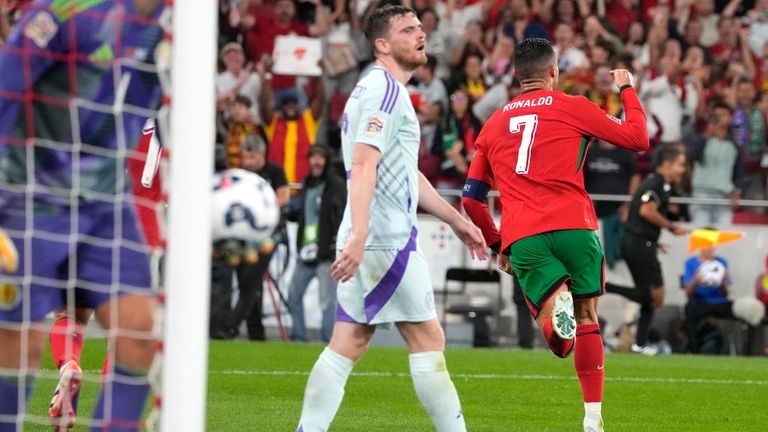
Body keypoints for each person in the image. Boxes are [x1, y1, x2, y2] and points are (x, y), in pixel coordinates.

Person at [295, 5, 487, 431]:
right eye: (407, 30)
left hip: (371, 234)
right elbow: (364, 165)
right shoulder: (385, 91)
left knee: (348, 342)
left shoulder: (374, 89)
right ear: (382, 44)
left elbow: (403, 169)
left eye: (420, 27)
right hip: (386, 238)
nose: (420, 34)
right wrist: (362, 235)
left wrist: (454, 219)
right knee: (427, 339)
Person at [461, 38, 649, 432]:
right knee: (587, 317)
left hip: (525, 235)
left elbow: (472, 200)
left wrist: (498, 244)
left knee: (558, 339)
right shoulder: (573, 107)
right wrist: (627, 87)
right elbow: (637, 139)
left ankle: (554, 319)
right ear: (553, 72)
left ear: (515, 75)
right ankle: (592, 419)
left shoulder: (493, 124)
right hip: (576, 227)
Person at [0, 0, 166, 431]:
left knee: (138, 333)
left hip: (106, 204)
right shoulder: (63, 11)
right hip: (32, 195)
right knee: (17, 345)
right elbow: (6, 89)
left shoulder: (177, 29)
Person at [605, 145, 689, 356]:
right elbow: (646, 210)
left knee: (649, 297)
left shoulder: (660, 184)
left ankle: (640, 344)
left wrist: (654, 237)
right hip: (639, 244)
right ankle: (604, 287)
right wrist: (670, 226)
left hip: (640, 241)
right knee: (656, 298)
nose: (682, 169)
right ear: (667, 164)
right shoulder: (657, 183)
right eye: (680, 165)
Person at [225, 135, 290, 340]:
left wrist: (264, 211)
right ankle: (256, 333)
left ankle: (230, 327)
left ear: (261, 154)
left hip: (270, 234)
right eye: (245, 158)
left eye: (251, 158)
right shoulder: (241, 175)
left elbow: (284, 196)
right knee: (247, 283)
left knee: (251, 280)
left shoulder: (275, 171)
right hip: (245, 235)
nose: (248, 163)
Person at [287, 145, 346, 343]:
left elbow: (342, 212)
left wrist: (338, 236)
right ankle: (298, 338)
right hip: (305, 252)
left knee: (328, 303)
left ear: (327, 160)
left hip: (326, 253)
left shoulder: (336, 184)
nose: (316, 161)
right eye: (313, 157)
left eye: (320, 157)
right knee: (293, 295)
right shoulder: (307, 183)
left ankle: (329, 341)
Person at [682, 243, 736, 354]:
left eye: (712, 245)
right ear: (701, 247)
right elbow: (688, 293)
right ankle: (694, 349)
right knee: (689, 308)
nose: (710, 248)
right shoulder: (691, 263)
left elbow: (726, 294)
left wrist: (723, 282)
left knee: (736, 308)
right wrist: (695, 281)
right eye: (707, 245)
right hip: (701, 302)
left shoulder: (721, 262)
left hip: (719, 303)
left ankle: (731, 350)